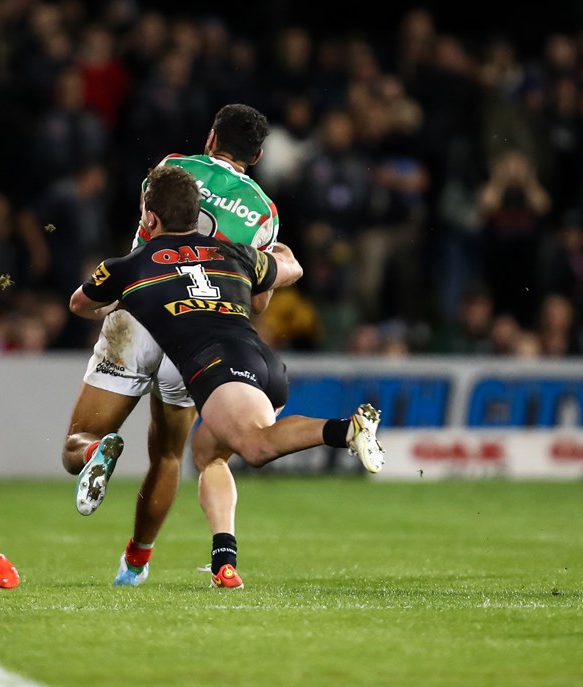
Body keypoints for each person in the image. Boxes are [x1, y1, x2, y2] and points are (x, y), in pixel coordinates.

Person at [70, 165, 384, 589]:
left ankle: (346, 428)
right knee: (205, 455)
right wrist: (277, 248)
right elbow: (287, 271)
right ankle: (223, 560)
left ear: (150, 217)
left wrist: (115, 302)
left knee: (253, 445)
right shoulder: (234, 253)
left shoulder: (130, 265)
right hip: (261, 361)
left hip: (210, 364)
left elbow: (79, 304)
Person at [61, 104, 282, 588]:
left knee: (77, 441)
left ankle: (96, 449)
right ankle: (136, 563)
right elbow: (259, 300)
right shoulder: (264, 211)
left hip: (137, 309)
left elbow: (147, 226)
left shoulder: (170, 170)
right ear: (259, 155)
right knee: (166, 455)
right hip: (200, 333)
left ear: (211, 137)